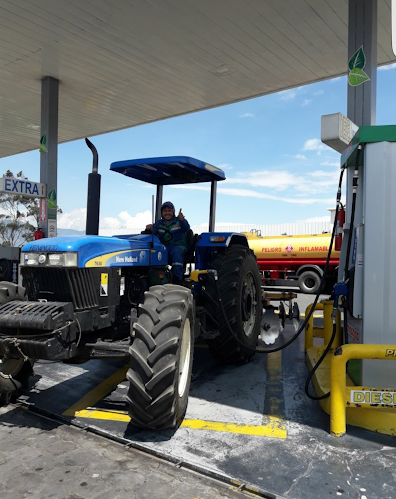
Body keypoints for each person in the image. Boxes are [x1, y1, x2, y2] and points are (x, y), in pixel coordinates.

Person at [146, 201, 190, 283]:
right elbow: (152, 233)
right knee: (154, 251)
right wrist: (149, 229)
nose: (167, 213)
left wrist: (182, 220)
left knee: (176, 252)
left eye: (169, 211)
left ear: (173, 212)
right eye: (165, 211)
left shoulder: (179, 221)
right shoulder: (158, 224)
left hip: (178, 246)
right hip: (164, 247)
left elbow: (186, 228)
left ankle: (177, 280)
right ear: (162, 213)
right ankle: (156, 279)